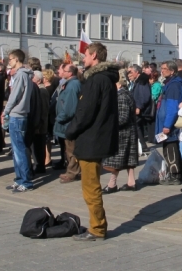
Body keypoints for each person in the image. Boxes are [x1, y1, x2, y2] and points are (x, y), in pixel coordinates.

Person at [65, 42, 120, 241]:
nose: (83, 58)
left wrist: (70, 131)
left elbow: (85, 112)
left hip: (92, 138)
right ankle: (97, 226)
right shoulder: (105, 79)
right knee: (92, 185)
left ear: (94, 55)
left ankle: (97, 228)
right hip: (97, 137)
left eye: (86, 55)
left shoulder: (97, 80)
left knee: (91, 187)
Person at [2, 49, 35, 193]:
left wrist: (6, 110)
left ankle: (26, 181)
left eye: (10, 59)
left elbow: (14, 96)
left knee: (19, 150)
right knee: (16, 150)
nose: (9, 62)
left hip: (17, 114)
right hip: (18, 114)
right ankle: (19, 178)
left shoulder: (21, 75)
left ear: (16, 59)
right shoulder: (23, 75)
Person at [102, 70, 138, 193]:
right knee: (128, 158)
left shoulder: (121, 96)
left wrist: (109, 124)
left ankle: (112, 184)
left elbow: (122, 118)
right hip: (129, 132)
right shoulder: (126, 93)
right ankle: (131, 182)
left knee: (116, 160)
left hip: (122, 133)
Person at [154, 60, 182, 185]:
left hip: (169, 124)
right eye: (161, 68)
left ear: (172, 71)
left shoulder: (174, 85)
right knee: (169, 147)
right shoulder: (170, 83)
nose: (162, 71)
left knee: (170, 148)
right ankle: (177, 171)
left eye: (164, 69)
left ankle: (175, 174)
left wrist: (167, 125)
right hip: (165, 121)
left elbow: (172, 108)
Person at [55, 64, 82, 183]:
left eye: (63, 70)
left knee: (71, 150)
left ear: (70, 73)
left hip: (69, 123)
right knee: (69, 149)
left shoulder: (73, 85)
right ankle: (73, 170)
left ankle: (72, 173)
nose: (60, 72)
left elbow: (69, 108)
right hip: (66, 123)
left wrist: (59, 118)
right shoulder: (70, 84)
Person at [127, 64, 152, 154]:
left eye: (131, 72)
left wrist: (139, 107)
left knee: (135, 126)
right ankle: (142, 145)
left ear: (136, 72)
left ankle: (142, 146)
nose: (129, 74)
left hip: (140, 109)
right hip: (138, 107)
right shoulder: (138, 81)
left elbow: (145, 96)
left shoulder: (142, 81)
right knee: (138, 126)